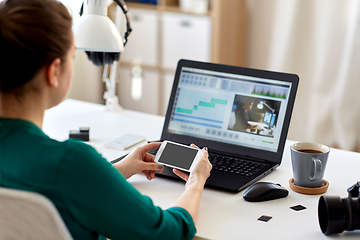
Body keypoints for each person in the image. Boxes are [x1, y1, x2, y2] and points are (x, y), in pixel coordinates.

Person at [0, 0, 212, 239]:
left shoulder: (59, 167)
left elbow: (52, 186)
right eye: (73, 56)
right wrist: (196, 179)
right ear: (53, 72)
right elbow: (168, 233)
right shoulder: (71, 162)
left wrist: (116, 171)